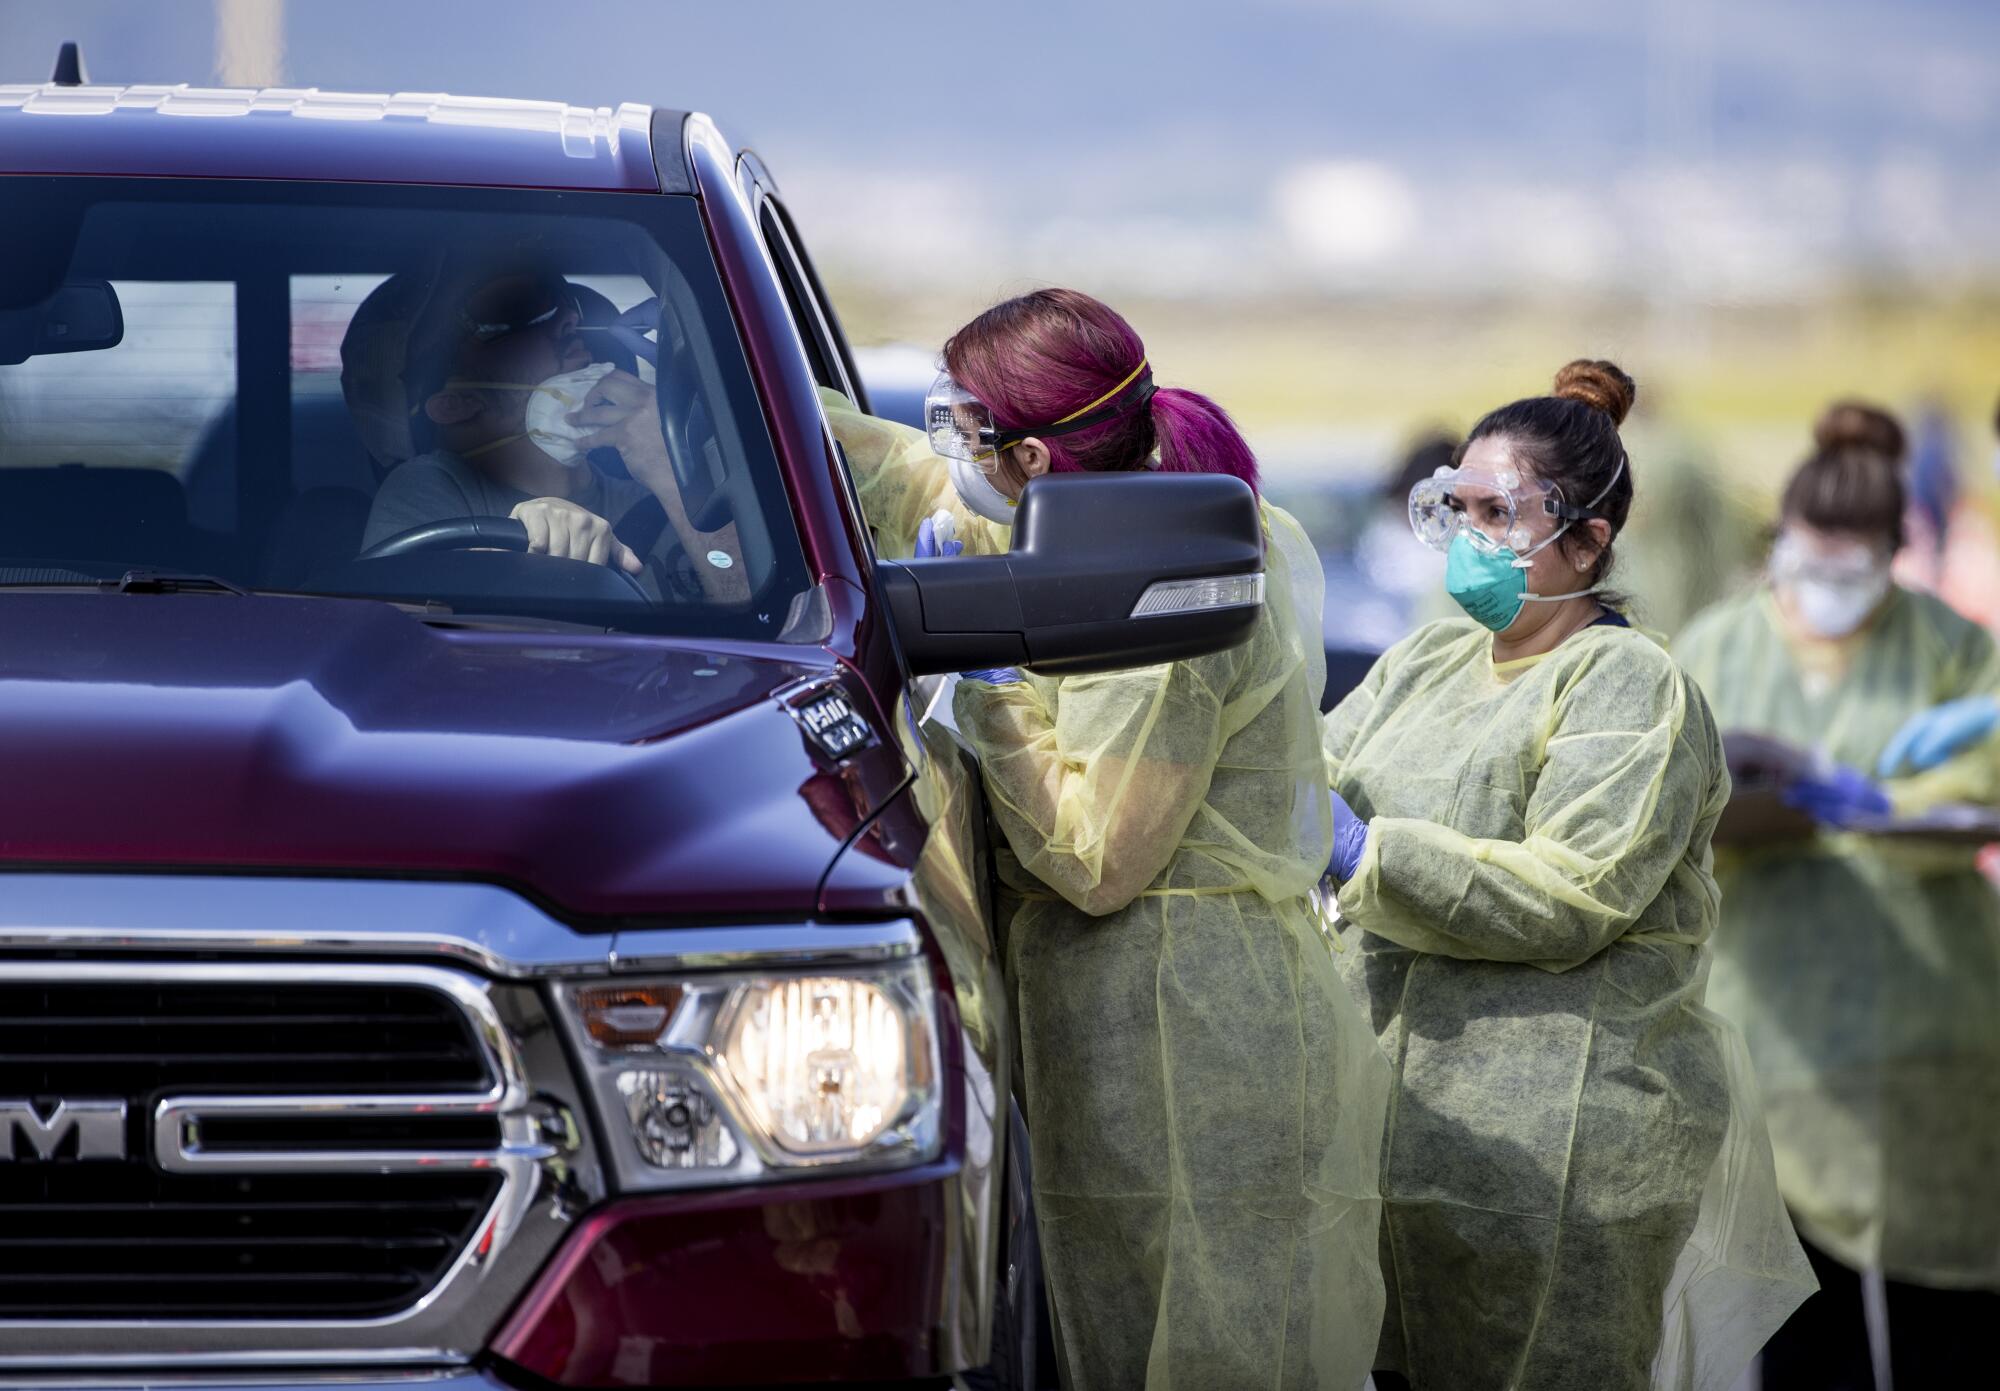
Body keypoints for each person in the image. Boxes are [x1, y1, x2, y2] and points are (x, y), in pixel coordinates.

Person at [821, 288, 1391, 1391]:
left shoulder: (1168, 585)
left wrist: (991, 688)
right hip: (1122, 1020)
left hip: (1192, 1022)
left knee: (1209, 1345)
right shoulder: (1081, 510)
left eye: (969, 429)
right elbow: (904, 469)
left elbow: (1095, 856)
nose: (953, 455)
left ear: (1032, 451)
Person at [1322, 361, 1811, 1391]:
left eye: (1495, 514)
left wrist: (1369, 853)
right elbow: (1314, 768)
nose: (1465, 541)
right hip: (1403, 1144)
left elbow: (1570, 892)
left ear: (1586, 539)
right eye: (1452, 510)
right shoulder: (1429, 658)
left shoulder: (1628, 685)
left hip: (1559, 1160)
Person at [1675, 400, 2000, 1389]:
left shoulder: (1947, 646)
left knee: (1947, 1315)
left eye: (1848, 573)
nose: (1822, 592)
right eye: (1805, 567)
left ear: (1896, 554)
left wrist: (1870, 802)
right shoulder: (1714, 647)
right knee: (1798, 1317)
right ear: (1776, 546)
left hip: (1928, 1034)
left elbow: (1977, 788)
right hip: (1769, 1036)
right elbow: (1664, 801)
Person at [351, 263, 744, 599]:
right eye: (514, 314)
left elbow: (762, 626)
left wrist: (667, 467)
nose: (569, 318)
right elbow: (407, 644)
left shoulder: (664, 496)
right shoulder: (430, 490)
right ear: (457, 402)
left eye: (565, 306)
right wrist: (523, 553)